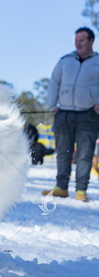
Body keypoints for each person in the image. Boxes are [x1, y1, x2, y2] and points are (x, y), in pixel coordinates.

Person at [43, 27, 99, 202]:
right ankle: (61, 187)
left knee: (85, 153)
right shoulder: (65, 60)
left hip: (88, 115)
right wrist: (52, 105)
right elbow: (54, 82)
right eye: (76, 41)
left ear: (91, 41)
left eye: (82, 40)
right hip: (64, 113)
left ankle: (81, 190)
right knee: (63, 151)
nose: (78, 44)